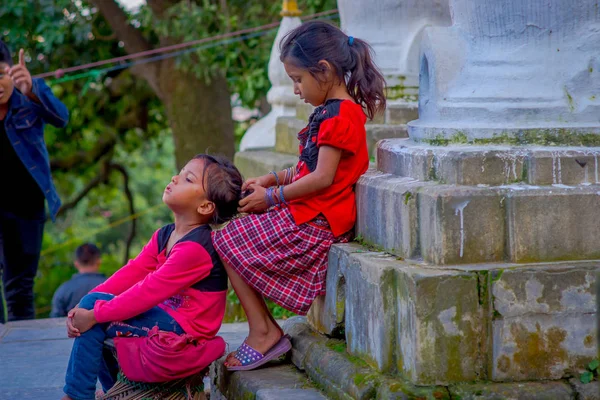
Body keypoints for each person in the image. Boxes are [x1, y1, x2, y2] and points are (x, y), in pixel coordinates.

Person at [212, 20, 387, 371]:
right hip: (306, 211)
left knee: (226, 240)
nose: (295, 89)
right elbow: (306, 168)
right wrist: (269, 179)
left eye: (298, 79)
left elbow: (322, 178)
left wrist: (272, 198)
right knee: (226, 235)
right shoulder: (327, 113)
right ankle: (262, 328)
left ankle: (262, 332)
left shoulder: (342, 116)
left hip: (318, 222)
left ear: (323, 70)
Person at [61, 154, 243, 400]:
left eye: (187, 179)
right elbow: (131, 273)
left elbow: (147, 291)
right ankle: (116, 390)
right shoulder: (165, 235)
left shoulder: (196, 248)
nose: (175, 178)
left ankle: (77, 396)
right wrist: (85, 303)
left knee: (98, 317)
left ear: (205, 206)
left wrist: (93, 312)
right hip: (166, 316)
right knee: (94, 308)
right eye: (180, 172)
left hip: (186, 329)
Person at [0, 40, 69, 322]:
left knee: (20, 289)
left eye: (1, 74)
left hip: (26, 207)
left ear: (11, 71)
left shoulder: (28, 93)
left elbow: (61, 118)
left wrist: (31, 93)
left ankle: (21, 358)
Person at [50, 243, 106, 318]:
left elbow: (55, 320)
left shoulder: (63, 289)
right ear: (99, 261)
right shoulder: (115, 287)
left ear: (76, 263)